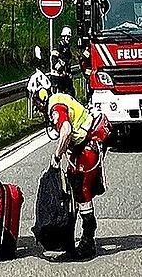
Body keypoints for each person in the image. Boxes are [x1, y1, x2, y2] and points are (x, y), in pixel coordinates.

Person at [27, 71, 110, 261]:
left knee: (81, 191)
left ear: (40, 95)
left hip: (87, 147)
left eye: (35, 100)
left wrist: (56, 156)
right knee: (74, 186)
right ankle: (75, 237)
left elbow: (66, 131)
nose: (35, 105)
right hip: (85, 145)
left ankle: (88, 240)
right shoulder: (58, 98)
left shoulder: (55, 107)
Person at [51, 26, 76, 96]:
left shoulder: (67, 47)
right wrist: (61, 69)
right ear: (63, 37)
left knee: (71, 93)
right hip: (57, 77)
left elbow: (68, 61)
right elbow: (54, 61)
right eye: (67, 37)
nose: (68, 39)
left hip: (65, 76)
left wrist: (68, 72)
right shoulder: (57, 47)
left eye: (69, 37)